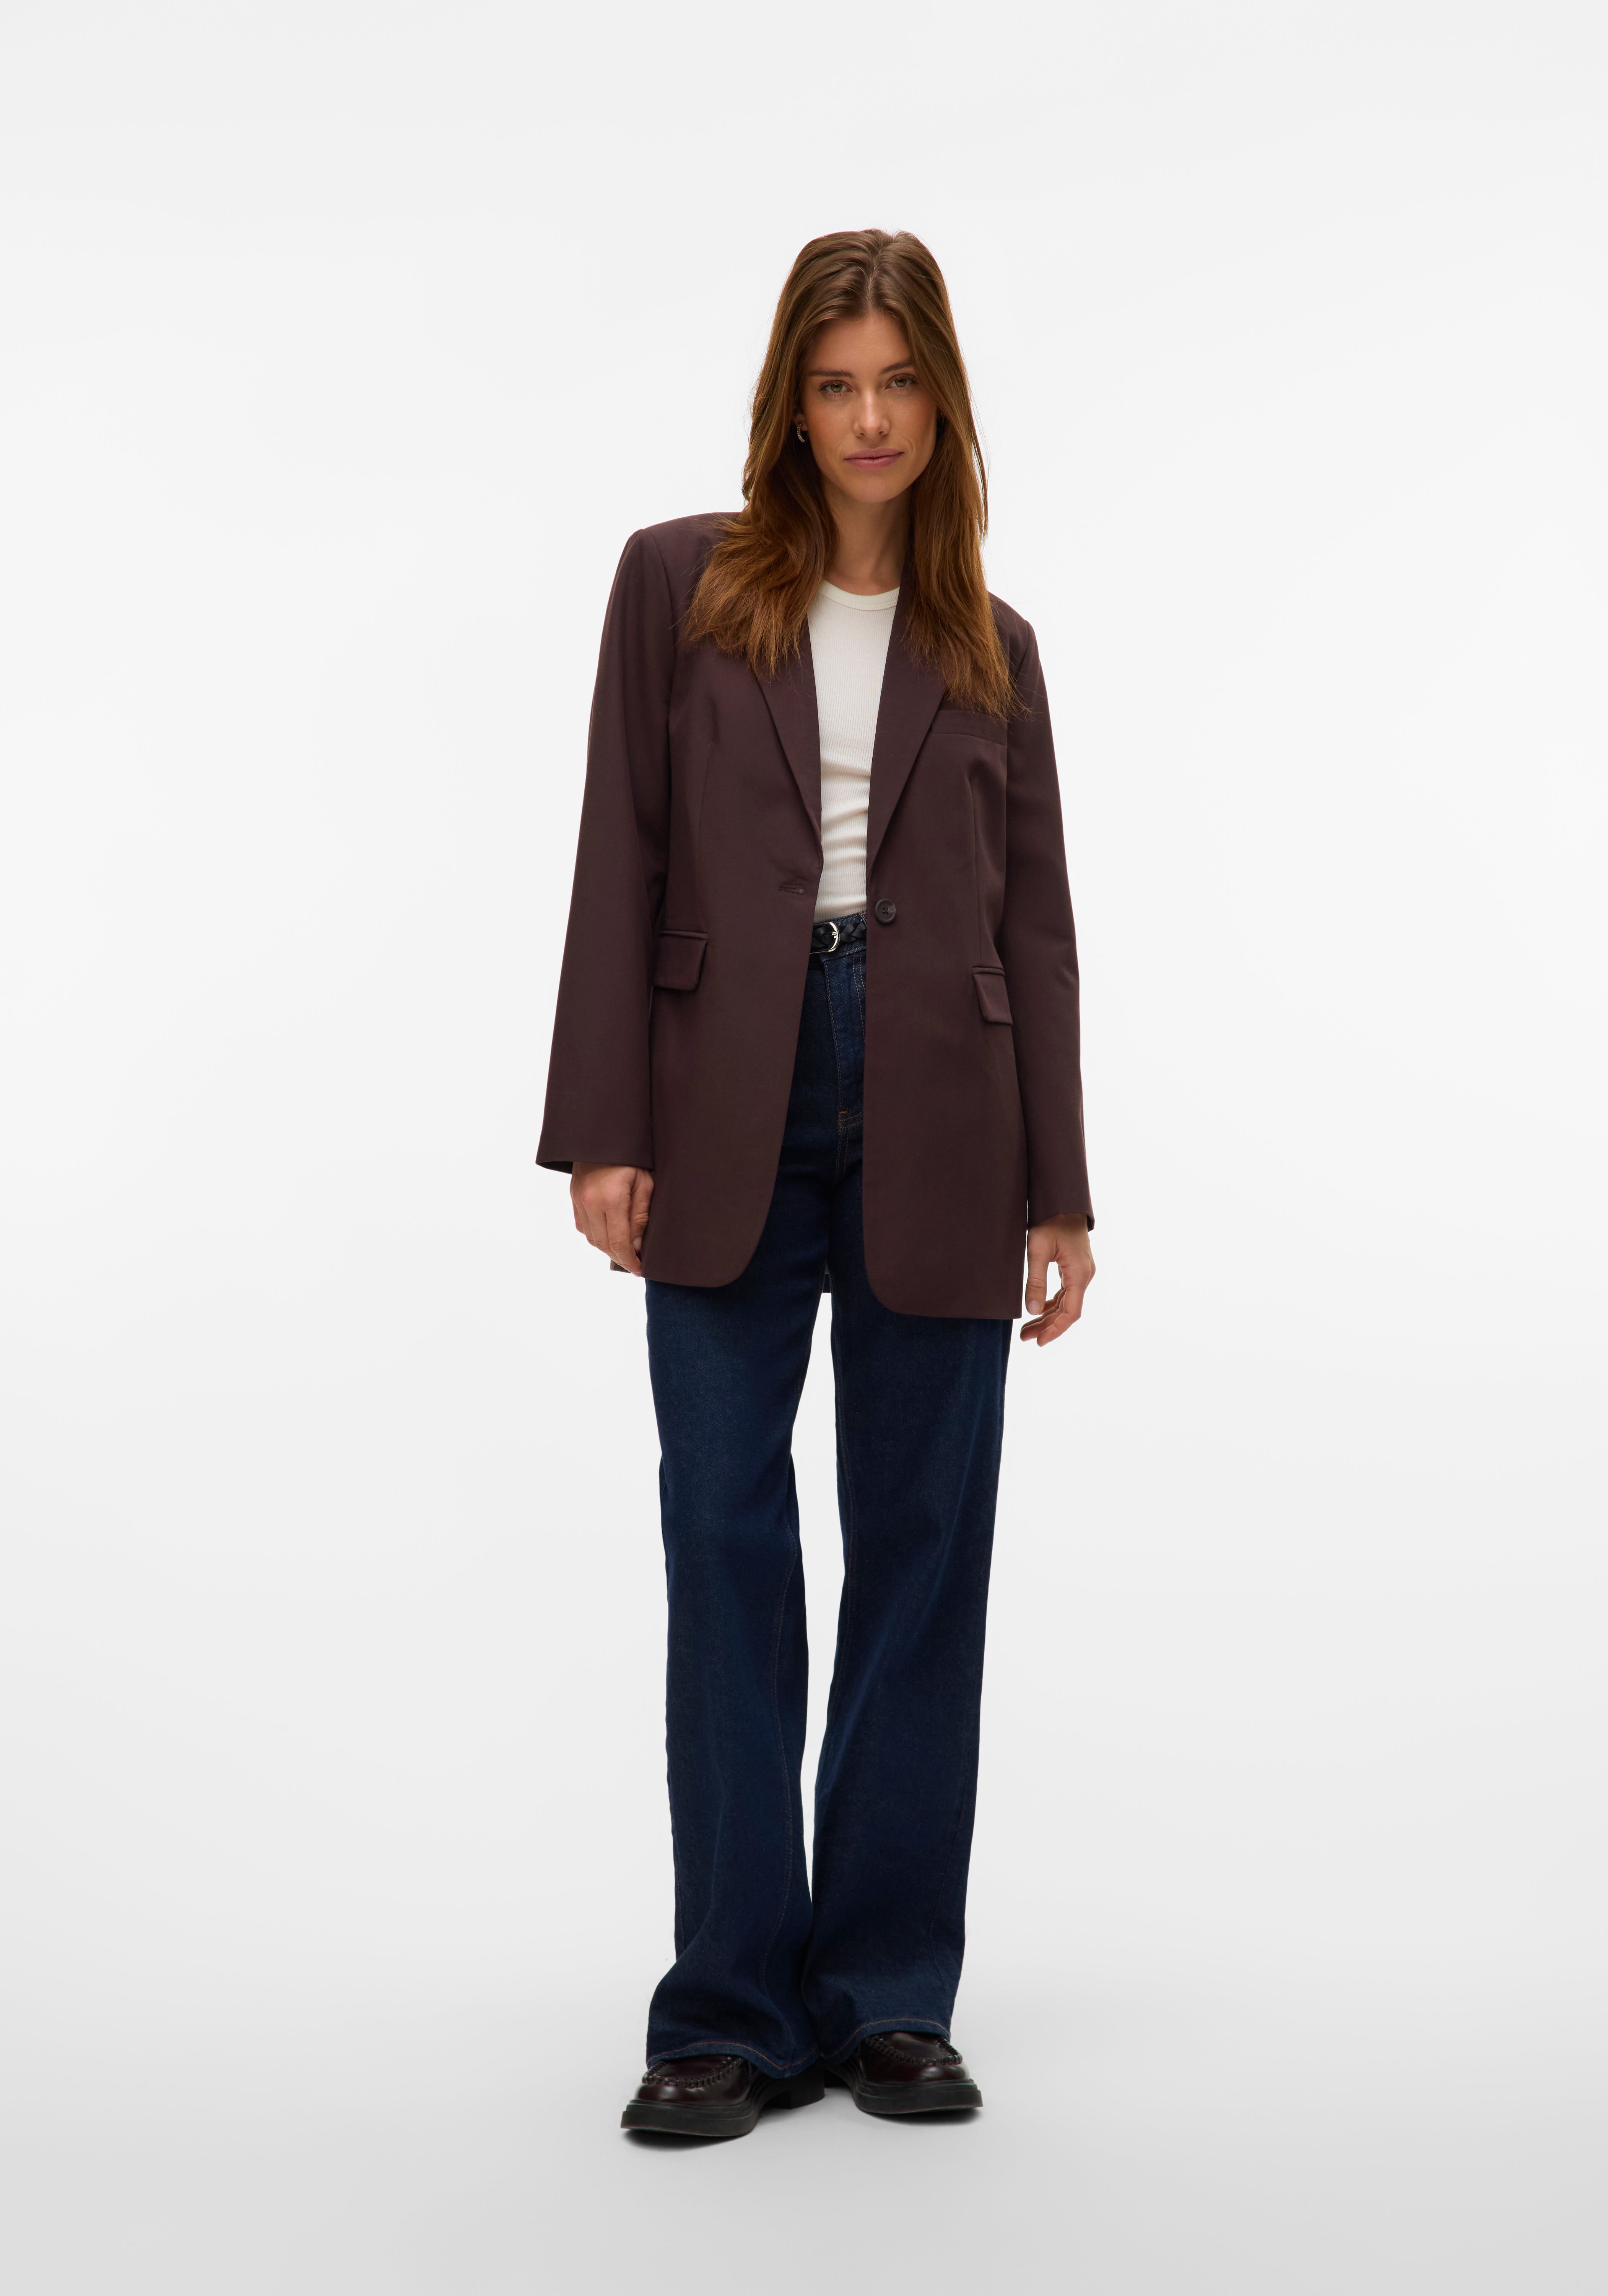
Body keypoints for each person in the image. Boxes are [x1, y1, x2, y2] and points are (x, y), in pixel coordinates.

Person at [537, 228, 1094, 2139]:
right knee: (722, 1531)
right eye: (836, 384)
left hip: (944, 1101)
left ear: (943, 404)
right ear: (791, 401)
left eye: (899, 384)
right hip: (722, 1092)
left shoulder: (991, 644)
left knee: (924, 1549)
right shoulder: (678, 584)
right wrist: (603, 1126)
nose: (868, 419)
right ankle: (725, 2006)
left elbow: (1037, 928)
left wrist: (1061, 1190)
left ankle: (885, 1996)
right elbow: (619, 849)